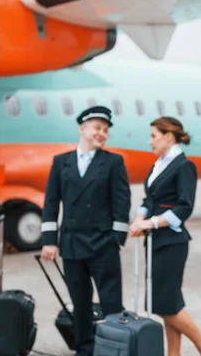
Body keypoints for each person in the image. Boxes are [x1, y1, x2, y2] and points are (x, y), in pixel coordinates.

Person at [128, 116, 201, 356]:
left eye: (153, 136)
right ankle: (174, 354)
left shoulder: (184, 166)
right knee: (169, 303)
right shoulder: (158, 164)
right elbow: (149, 200)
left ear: (168, 136)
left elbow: (184, 208)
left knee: (164, 304)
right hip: (156, 241)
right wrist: (139, 218)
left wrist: (150, 223)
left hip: (172, 242)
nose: (150, 142)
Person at [40, 106, 131, 356]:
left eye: (105, 130)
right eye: (97, 128)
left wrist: (117, 239)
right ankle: (84, 347)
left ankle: (114, 347)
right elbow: (50, 202)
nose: (102, 133)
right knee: (79, 303)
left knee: (111, 303)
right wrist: (49, 241)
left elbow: (122, 202)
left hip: (104, 244)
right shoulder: (61, 162)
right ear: (82, 129)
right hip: (71, 243)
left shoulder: (113, 162)